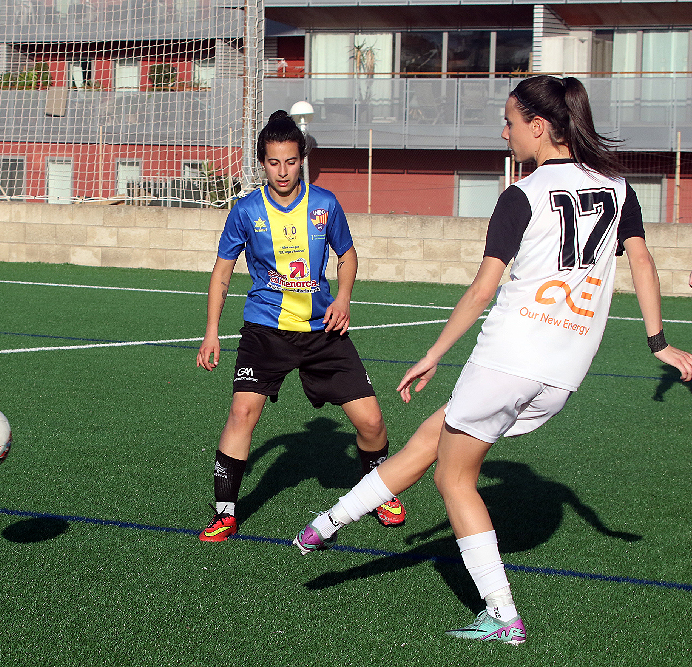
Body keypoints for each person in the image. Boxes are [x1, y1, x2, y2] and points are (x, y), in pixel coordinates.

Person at [291, 75, 692, 643]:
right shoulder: (620, 189)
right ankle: (327, 525)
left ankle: (502, 614)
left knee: (454, 478)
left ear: (540, 126)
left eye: (509, 121)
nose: (504, 133)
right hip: (563, 372)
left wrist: (432, 354)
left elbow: (482, 292)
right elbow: (644, 265)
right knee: (433, 436)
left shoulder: (521, 196)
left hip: (509, 356)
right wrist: (659, 344)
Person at [196, 110, 406, 542]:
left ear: (302, 158)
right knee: (242, 412)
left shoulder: (325, 204)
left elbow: (347, 256)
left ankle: (379, 491)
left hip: (322, 330)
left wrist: (344, 297)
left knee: (370, 422)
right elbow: (221, 273)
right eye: (274, 162)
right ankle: (225, 510)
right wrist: (212, 331)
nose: (283, 171)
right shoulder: (245, 210)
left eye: (290, 161)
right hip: (265, 330)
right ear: (262, 162)